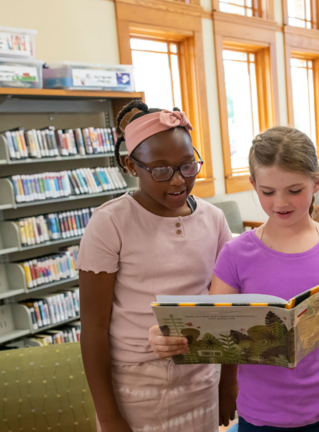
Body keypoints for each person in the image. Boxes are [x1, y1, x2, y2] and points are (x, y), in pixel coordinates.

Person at [148, 126, 319, 431]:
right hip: (262, 410)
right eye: (267, 192)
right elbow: (210, 332)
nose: (280, 203)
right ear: (253, 185)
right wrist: (167, 336)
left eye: (294, 191)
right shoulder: (235, 254)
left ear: (317, 183)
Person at [77, 101, 233, 432]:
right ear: (132, 166)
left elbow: (228, 307)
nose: (178, 181)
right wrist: (108, 415)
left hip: (200, 375)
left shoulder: (214, 219)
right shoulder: (110, 223)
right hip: (135, 385)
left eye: (188, 166)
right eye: (160, 170)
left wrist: (227, 383)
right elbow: (92, 328)